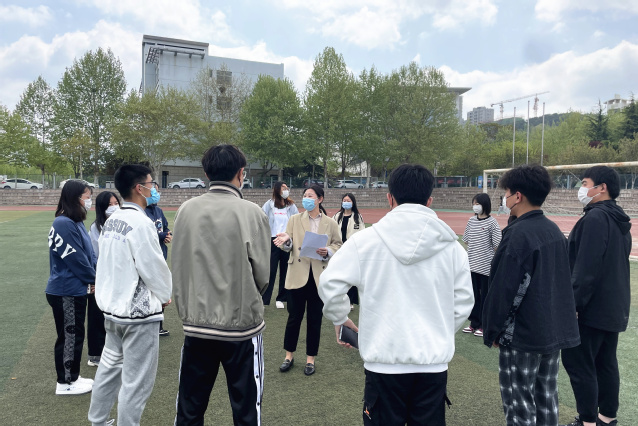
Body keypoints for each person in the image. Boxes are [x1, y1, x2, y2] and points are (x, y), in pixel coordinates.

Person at [319, 164, 474, 425]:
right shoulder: (452, 248)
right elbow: (464, 302)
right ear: (429, 200)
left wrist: (340, 318)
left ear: (390, 198)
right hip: (432, 363)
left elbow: (329, 283)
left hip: (383, 362)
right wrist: (439, 330)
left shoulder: (364, 241)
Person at [171, 144, 271, 425]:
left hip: (196, 324)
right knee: (247, 411)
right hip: (241, 328)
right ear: (241, 173)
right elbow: (263, 274)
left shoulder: (186, 210)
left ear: (206, 174)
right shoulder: (252, 212)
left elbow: (177, 263)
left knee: (189, 408)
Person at [482, 164, 580, 426]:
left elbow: (506, 290)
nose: (505, 199)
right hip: (552, 332)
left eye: (507, 193)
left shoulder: (517, 235)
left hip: (523, 335)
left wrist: (493, 330)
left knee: (519, 404)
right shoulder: (553, 231)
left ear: (518, 196)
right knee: (546, 398)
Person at [88, 165, 172, 426]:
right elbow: (153, 266)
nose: (154, 188)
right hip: (138, 314)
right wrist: (164, 294)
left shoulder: (112, 221)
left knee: (108, 369)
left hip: (113, 310)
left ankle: (98, 421)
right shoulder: (141, 223)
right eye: (151, 183)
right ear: (139, 188)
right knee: (136, 382)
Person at [560, 166, 631, 426]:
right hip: (613, 305)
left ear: (601, 188)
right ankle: (607, 417)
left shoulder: (595, 218)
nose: (581, 188)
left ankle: (587, 420)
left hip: (592, 307)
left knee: (579, 362)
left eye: (585, 183)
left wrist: (574, 304)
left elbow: (586, 268)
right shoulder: (618, 218)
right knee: (605, 362)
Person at [273, 184, 342, 376]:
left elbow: (338, 244)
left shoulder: (330, 223)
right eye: (305, 195)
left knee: (314, 319)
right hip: (297, 275)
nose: (306, 199)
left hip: (318, 277)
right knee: (293, 318)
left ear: (320, 199)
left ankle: (310, 359)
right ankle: (289, 356)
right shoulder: (294, 219)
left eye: (310, 196)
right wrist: (287, 241)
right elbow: (288, 246)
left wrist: (328, 251)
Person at [47, 179, 96, 395]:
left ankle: (72, 376)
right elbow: (77, 260)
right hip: (66, 289)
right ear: (75, 198)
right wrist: (95, 279)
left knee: (75, 334)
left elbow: (88, 255)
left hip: (74, 289)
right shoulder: (64, 223)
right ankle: (66, 382)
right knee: (69, 336)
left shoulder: (74, 222)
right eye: (87, 197)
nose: (89, 201)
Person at [87, 191, 121, 367]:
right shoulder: (96, 228)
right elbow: (95, 256)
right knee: (97, 316)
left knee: (116, 316)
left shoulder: (122, 224)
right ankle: (95, 354)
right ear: (101, 208)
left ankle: (115, 351)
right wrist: (96, 280)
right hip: (101, 278)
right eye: (109, 205)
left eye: (116, 203)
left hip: (118, 277)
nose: (114, 207)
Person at [461, 193, 501, 337]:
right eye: (474, 204)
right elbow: (466, 239)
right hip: (471, 265)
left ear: (485, 205)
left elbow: (497, 244)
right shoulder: (471, 221)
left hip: (485, 267)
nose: (475, 206)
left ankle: (484, 325)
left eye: (477, 203)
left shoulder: (492, 223)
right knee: (473, 296)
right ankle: (474, 323)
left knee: (485, 296)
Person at [262, 181, 299, 308]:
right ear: (277, 189)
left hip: (286, 241)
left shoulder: (291, 206)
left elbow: (296, 221)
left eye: (287, 188)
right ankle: (264, 299)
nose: (286, 190)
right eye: (283, 188)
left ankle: (281, 299)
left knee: (285, 270)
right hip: (273, 240)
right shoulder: (269, 204)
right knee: (270, 271)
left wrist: (290, 236)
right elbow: (262, 218)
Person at [144, 189, 172, 336]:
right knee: (149, 293)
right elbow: (147, 234)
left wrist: (168, 235)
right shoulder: (142, 212)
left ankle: (159, 326)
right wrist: (162, 235)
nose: (155, 194)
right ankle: (149, 325)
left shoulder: (158, 210)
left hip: (161, 256)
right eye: (152, 191)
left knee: (161, 292)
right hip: (148, 260)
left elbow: (165, 227)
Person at [331, 193, 365, 309]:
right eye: (344, 200)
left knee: (351, 276)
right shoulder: (337, 216)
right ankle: (338, 299)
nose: (346, 202)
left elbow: (362, 233)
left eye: (348, 200)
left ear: (353, 203)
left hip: (351, 251)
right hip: (338, 250)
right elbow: (331, 231)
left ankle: (350, 301)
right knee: (339, 276)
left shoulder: (357, 217)